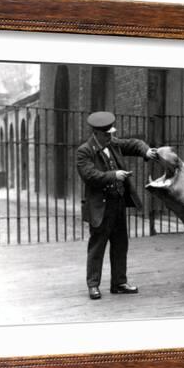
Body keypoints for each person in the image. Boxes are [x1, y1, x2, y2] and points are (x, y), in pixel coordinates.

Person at [76, 111, 158, 300]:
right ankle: (93, 285)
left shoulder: (112, 143)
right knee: (97, 246)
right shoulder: (84, 151)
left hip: (118, 204)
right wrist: (114, 175)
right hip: (100, 207)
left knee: (121, 244)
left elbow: (134, 143)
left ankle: (119, 283)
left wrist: (146, 151)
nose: (110, 137)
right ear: (96, 133)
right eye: (106, 134)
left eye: (111, 133)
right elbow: (90, 176)